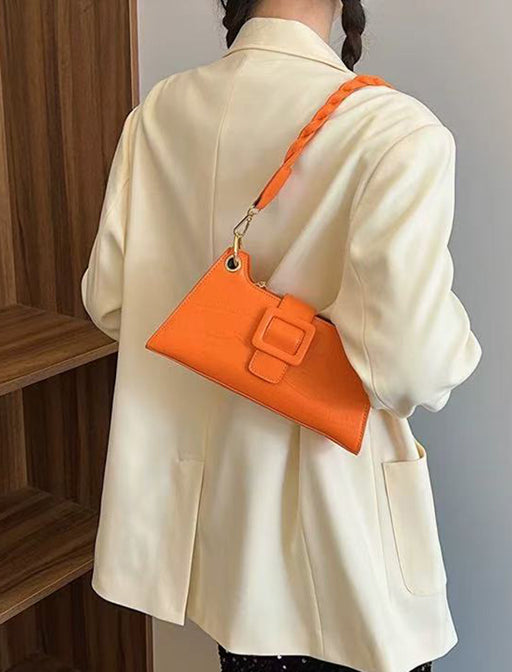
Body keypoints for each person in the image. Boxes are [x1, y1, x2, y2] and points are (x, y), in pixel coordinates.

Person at [80, 1, 482, 671]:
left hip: (218, 541)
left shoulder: (159, 112)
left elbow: (110, 300)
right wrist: (459, 337)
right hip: (337, 545)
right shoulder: (392, 129)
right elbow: (413, 369)